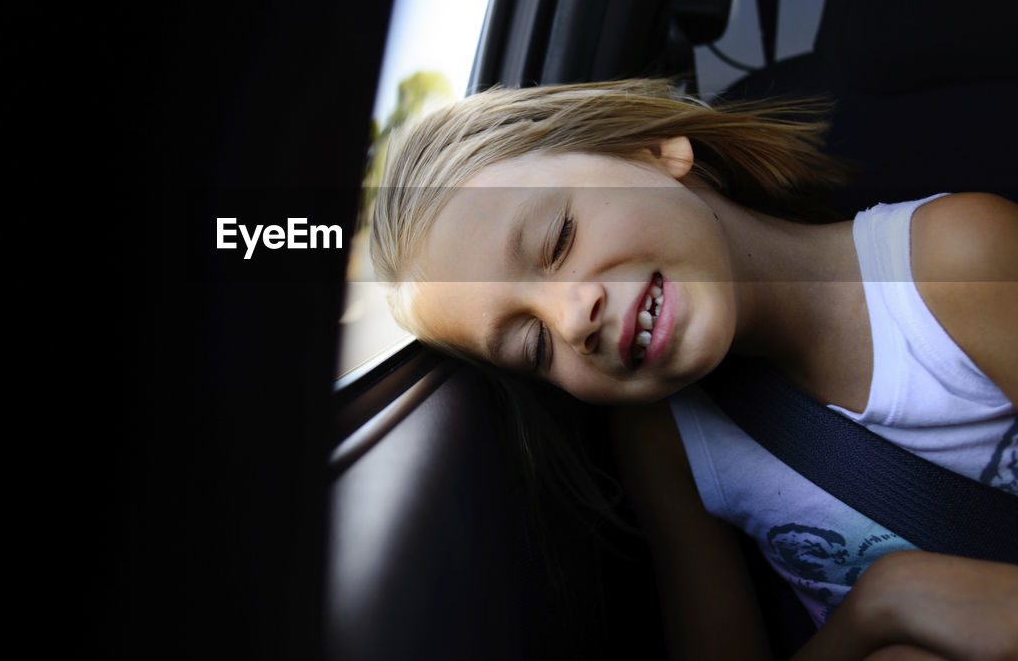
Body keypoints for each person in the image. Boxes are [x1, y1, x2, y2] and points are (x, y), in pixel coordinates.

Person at [369, 78, 1018, 661]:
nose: (572, 320)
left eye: (558, 239)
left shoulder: (954, 258)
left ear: (655, 151)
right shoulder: (664, 438)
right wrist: (883, 605)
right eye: (535, 346)